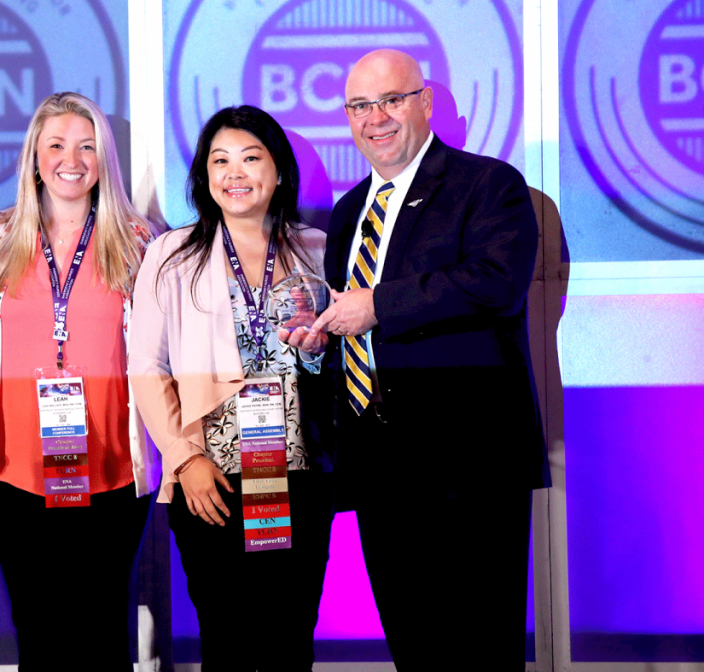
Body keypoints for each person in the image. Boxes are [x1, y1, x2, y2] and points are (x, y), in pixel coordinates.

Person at [285, 49, 552, 670]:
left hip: (469, 467)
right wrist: (325, 336)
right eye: (359, 105)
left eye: (391, 100)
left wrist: (375, 306)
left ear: (425, 102)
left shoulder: (488, 184)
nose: (375, 118)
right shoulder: (350, 211)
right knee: (415, 648)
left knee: (479, 651)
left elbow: (495, 282)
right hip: (380, 467)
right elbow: (357, 322)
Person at [130, 105, 335, 670]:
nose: (234, 173)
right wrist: (183, 457)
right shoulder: (170, 254)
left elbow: (344, 359)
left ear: (278, 170)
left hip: (300, 475)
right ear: (204, 174)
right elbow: (146, 365)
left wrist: (319, 354)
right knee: (227, 637)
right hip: (210, 479)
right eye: (220, 160)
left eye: (250, 158)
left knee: (291, 639)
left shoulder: (317, 247)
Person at [0, 92, 159, 671]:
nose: (70, 159)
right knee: (38, 627)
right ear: (33, 157)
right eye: (55, 144)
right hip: (14, 470)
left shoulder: (140, 241)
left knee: (101, 627)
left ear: (103, 158)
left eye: (86, 145)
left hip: (110, 467)